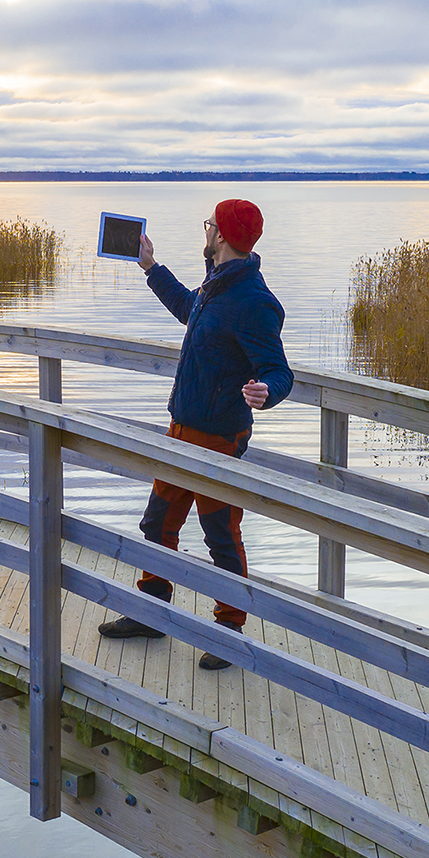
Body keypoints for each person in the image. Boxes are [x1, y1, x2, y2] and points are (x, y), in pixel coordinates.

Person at [98, 198, 293, 669]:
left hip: (219, 437)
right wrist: (150, 267)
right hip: (182, 427)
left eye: (210, 225)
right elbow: (190, 309)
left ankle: (229, 630)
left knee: (220, 533)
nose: (205, 231)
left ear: (221, 235)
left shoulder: (253, 300)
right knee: (158, 523)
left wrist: (268, 391)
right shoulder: (216, 284)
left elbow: (278, 369)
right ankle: (151, 610)